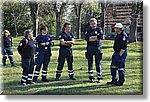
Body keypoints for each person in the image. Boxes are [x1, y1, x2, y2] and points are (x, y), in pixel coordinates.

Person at [84, 18, 103, 83]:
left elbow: (100, 37)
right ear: (90, 24)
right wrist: (95, 37)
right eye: (92, 24)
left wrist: (92, 38)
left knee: (98, 63)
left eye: (94, 23)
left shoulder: (99, 29)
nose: (93, 25)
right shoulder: (88, 30)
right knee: (90, 62)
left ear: (96, 23)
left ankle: (99, 77)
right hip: (90, 48)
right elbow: (87, 39)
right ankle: (91, 77)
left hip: (97, 48)